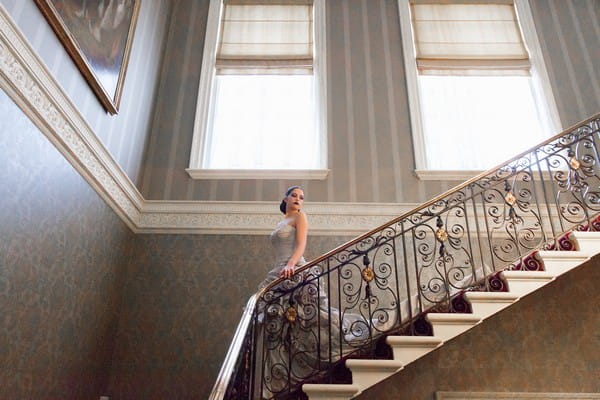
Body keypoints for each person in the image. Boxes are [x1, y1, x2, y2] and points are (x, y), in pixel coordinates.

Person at [255, 186, 377, 399]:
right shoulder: (281, 222)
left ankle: (352, 332)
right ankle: (285, 373)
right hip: (278, 271)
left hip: (294, 269)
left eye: (301, 197)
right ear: (285, 198)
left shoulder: (300, 217)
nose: (298, 199)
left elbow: (301, 245)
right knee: (282, 324)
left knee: (313, 317)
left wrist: (291, 265)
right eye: (294, 195)